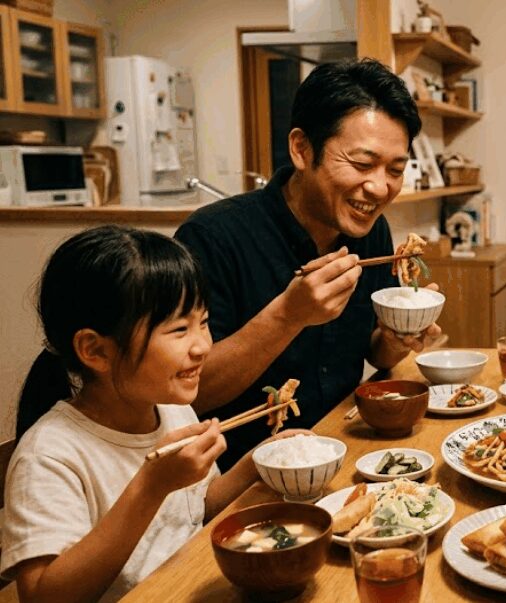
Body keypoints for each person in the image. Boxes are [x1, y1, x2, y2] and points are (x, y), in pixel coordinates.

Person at [2, 226, 301, 603]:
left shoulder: (171, 409)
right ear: (95, 351)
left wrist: (257, 464)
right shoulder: (49, 456)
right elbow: (45, 596)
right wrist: (151, 487)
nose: (203, 346)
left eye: (204, 322)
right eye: (179, 329)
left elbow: (193, 511)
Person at [175, 58, 441, 468]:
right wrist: (288, 316)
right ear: (301, 149)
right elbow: (190, 393)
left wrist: (395, 339)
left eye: (395, 169)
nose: (379, 186)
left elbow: (375, 354)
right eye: (362, 163)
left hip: (348, 448)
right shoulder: (212, 238)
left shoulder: (373, 232)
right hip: (239, 478)